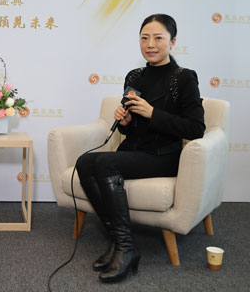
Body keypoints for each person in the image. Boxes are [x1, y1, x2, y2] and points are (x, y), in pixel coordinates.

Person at [76, 14, 205, 283]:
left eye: (158, 38)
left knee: (105, 163)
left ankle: (126, 248)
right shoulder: (134, 76)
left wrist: (152, 113)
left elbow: (195, 128)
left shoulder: (184, 78)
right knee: (84, 162)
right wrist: (125, 123)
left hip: (164, 155)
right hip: (136, 151)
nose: (150, 44)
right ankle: (119, 241)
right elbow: (131, 129)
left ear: (173, 42)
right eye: (144, 38)